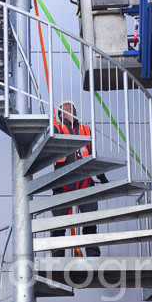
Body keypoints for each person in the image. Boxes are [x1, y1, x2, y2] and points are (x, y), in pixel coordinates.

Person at [50, 100, 108, 257]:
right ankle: (57, 256)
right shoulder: (56, 128)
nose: (69, 108)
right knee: (58, 223)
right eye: (65, 108)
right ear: (59, 114)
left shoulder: (85, 129)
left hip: (84, 181)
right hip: (63, 181)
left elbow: (92, 156)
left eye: (71, 107)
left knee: (90, 221)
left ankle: (93, 255)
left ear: (75, 112)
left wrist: (102, 178)